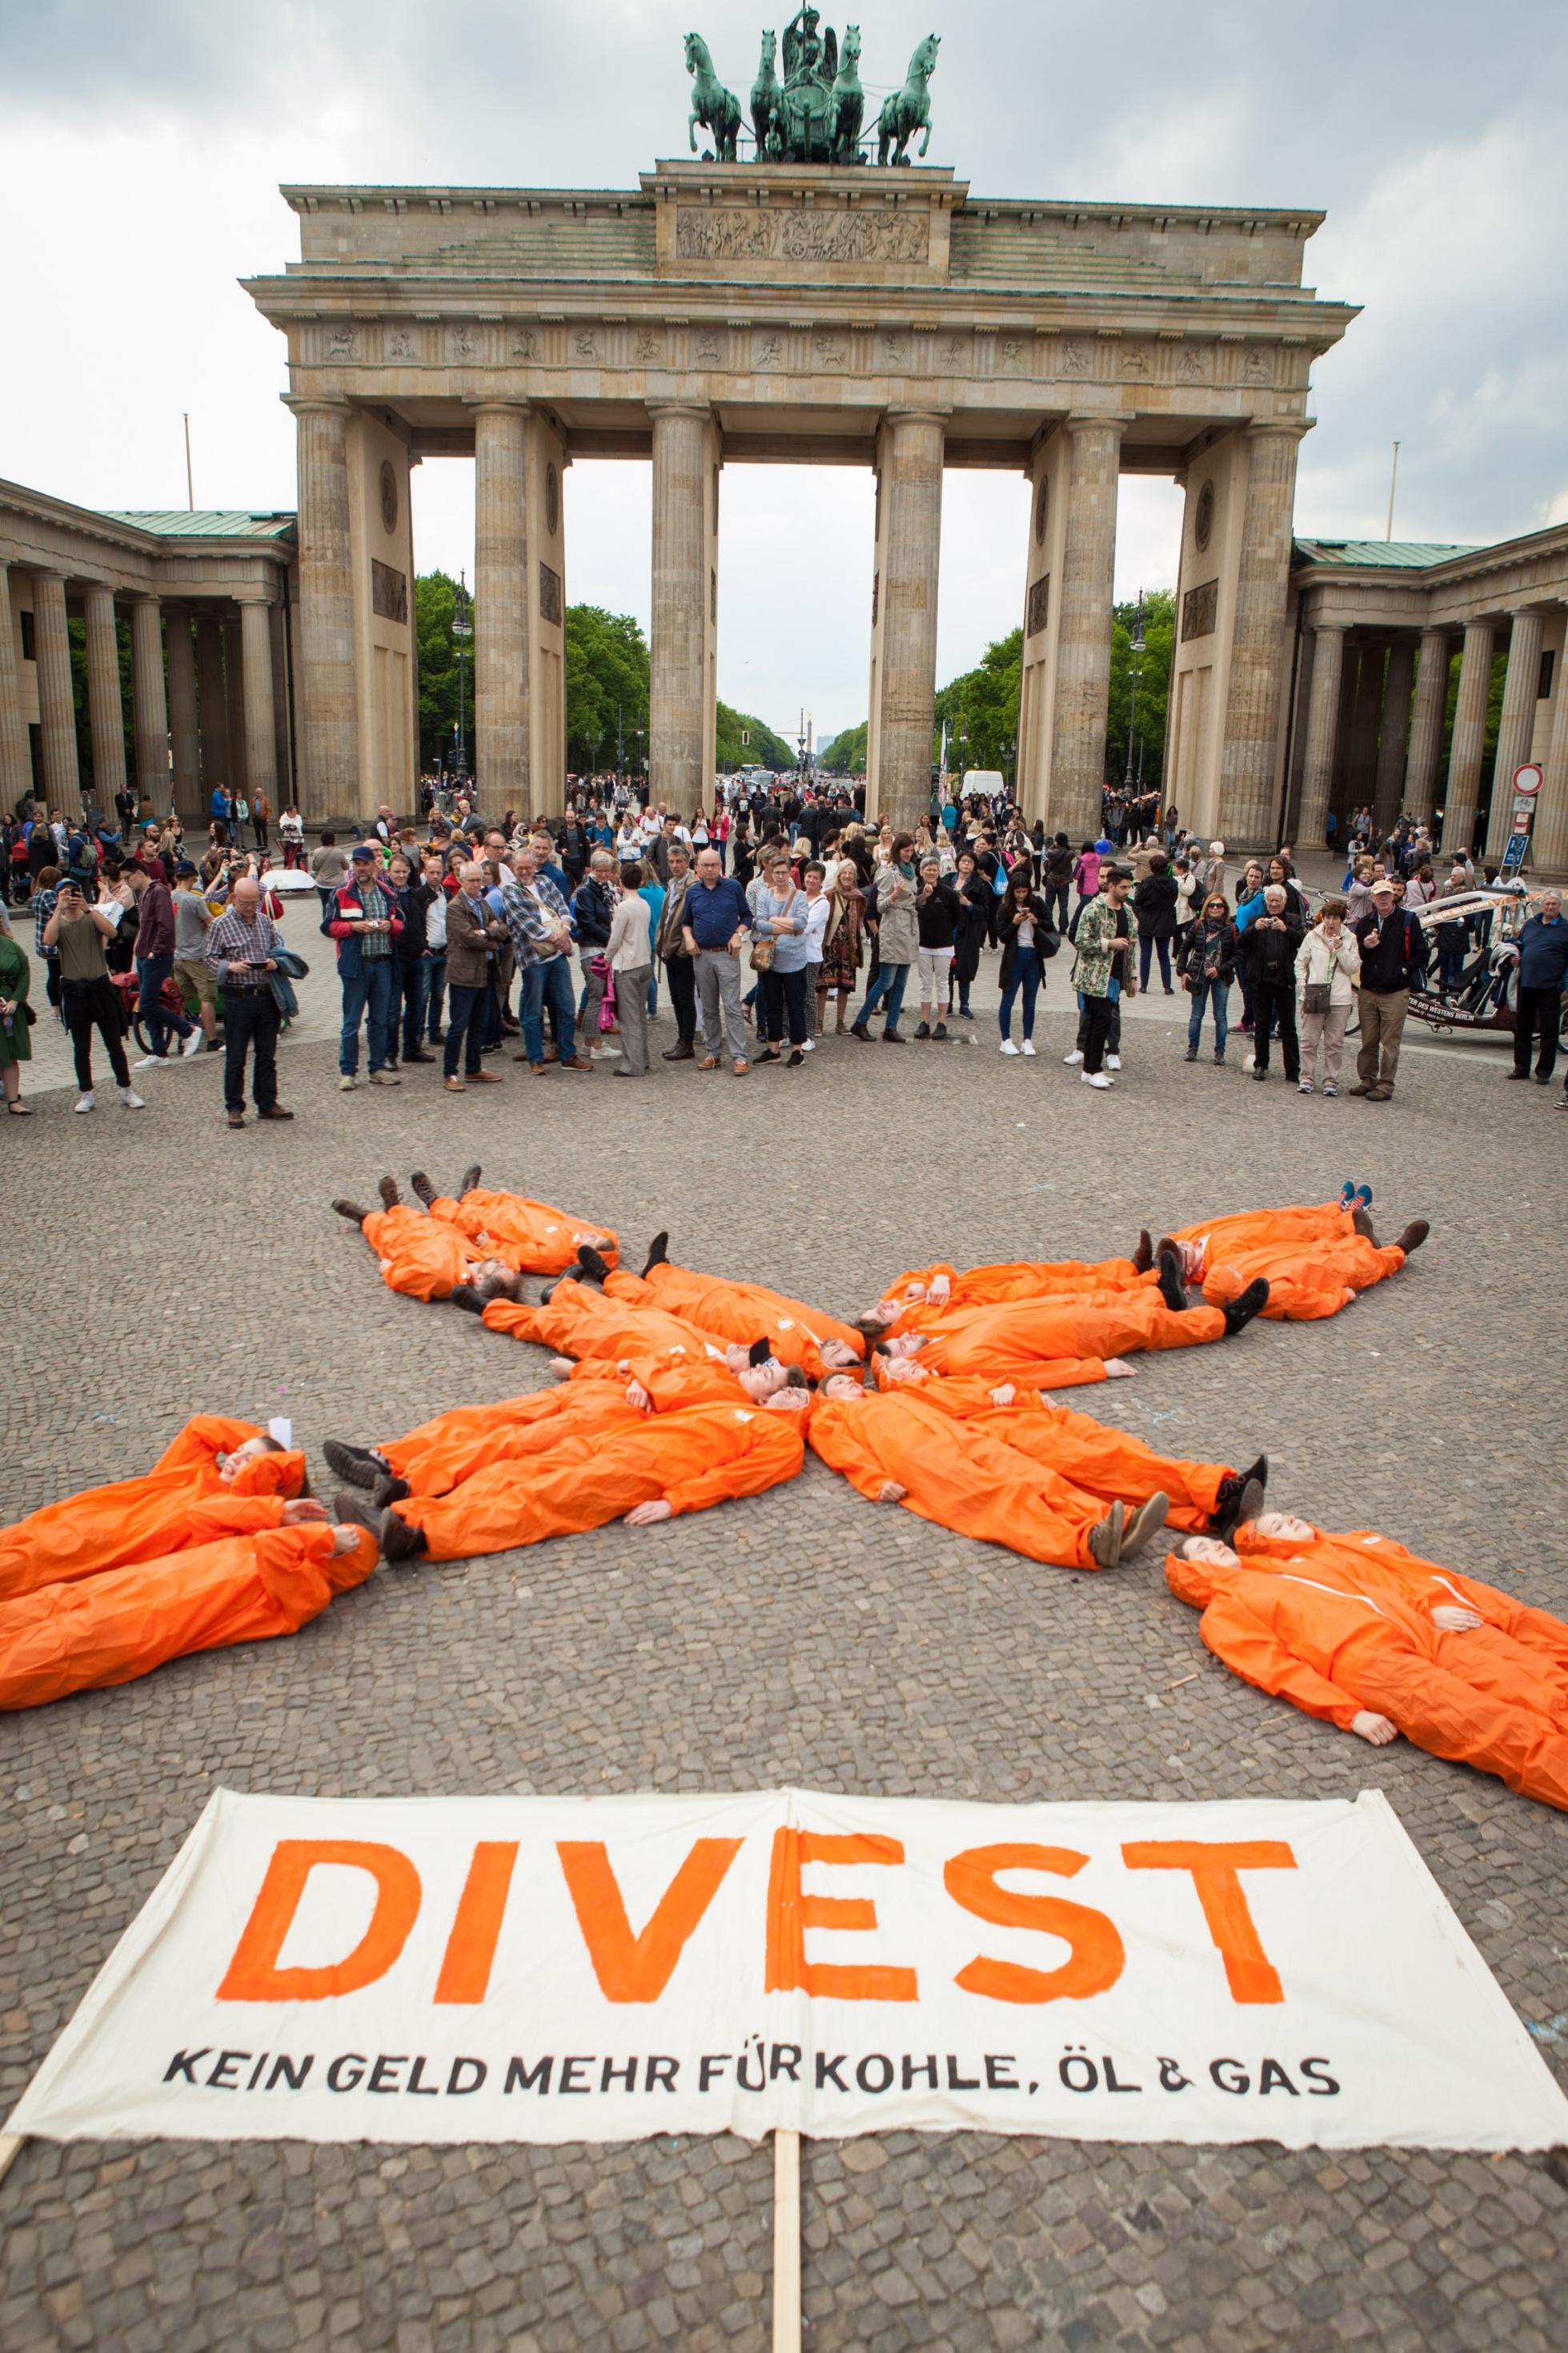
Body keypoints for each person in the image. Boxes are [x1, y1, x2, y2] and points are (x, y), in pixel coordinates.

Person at [1165, 1520, 1568, 1812]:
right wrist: (1349, 1713)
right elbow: (1274, 1669)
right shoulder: (1223, 1612)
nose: (1213, 1548)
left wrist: (1423, 1613)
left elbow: (1368, 1588)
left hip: (1421, 1635)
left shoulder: (1279, 1566)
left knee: (1534, 1688)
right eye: (1200, 1552)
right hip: (1377, 1668)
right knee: (1495, 1728)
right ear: (1194, 1571)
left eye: (1211, 1544)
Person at [339, 1390, 808, 1564]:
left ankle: (423, 1537)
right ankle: (405, 1512)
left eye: (796, 1391)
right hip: (618, 1440)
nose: (787, 1389)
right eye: (786, 1386)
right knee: (511, 1473)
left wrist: (676, 1500)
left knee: (541, 1500)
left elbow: (737, 1477)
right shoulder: (739, 1406)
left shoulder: (783, 1442)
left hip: (641, 1471)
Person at [0, 1516, 377, 1712]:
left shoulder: (309, 1595)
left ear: (342, 1560)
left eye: (341, 1538)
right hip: (124, 1588)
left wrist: (322, 1537)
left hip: (136, 1625)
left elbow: (271, 1548)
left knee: (41, 1658)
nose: (328, 1530)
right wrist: (279, 1510)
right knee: (32, 1610)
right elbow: (208, 1516)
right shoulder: (285, 1545)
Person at [809, 1378, 1153, 1572]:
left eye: (849, 1377)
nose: (850, 1382)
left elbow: (954, 1402)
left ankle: (1110, 1520)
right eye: (840, 1382)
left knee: (1033, 1474)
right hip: (921, 1459)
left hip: (961, 1438)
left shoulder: (889, 1395)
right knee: (998, 1498)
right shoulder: (828, 1417)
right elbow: (842, 1452)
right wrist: (875, 1481)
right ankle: (1082, 1544)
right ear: (825, 1394)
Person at [43, 878, 144, 1114]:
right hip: (75, 991)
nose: (71, 897)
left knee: (114, 1044)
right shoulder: (59, 923)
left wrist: (89, 908)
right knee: (81, 1047)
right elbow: (48, 940)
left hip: (100, 986)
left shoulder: (92, 917)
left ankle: (126, 1088)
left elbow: (111, 931)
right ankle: (86, 1093)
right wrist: (59, 909)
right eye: (65, 894)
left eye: (73, 892)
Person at [200, 875, 291, 1126]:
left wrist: (275, 962)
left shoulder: (264, 922)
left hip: (266, 994)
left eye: (254, 902)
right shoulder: (220, 924)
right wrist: (231, 966)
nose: (251, 908)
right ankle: (234, 1107)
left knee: (267, 1055)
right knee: (236, 1057)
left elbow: (278, 950)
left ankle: (267, 1103)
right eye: (245, 903)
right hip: (238, 997)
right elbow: (208, 959)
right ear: (234, 899)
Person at [498, 847, 587, 1074]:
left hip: (557, 956)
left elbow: (563, 908)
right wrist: (558, 938)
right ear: (513, 869)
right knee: (534, 1010)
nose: (525, 872)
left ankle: (567, 1054)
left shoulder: (546, 882)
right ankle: (535, 1058)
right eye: (520, 868)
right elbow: (526, 924)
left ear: (534, 866)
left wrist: (565, 929)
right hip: (534, 958)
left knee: (567, 1007)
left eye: (528, 867)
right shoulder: (510, 891)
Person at [327, 845, 403, 1090]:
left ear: (374, 866)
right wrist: (353, 927)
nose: (361, 868)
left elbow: (401, 922)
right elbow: (327, 927)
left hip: (382, 963)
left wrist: (390, 927)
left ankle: (377, 1068)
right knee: (351, 1022)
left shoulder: (388, 892)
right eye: (357, 864)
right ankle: (348, 1071)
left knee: (380, 1020)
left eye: (365, 863)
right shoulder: (341, 893)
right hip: (355, 965)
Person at [1349, 876, 1429, 1102]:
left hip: (1395, 990)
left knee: (1390, 1042)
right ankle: (1367, 1079)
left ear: (1393, 896)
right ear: (1372, 898)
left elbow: (1422, 953)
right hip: (1369, 988)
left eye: (1387, 895)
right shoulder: (1366, 922)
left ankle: (1385, 1084)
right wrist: (1365, 946)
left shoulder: (1408, 920)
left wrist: (1404, 970)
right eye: (1379, 895)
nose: (1383, 899)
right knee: (1368, 1040)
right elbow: (1356, 954)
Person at [681, 846, 752, 1074]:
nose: (710, 869)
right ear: (698, 867)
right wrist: (688, 938)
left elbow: (747, 916)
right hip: (701, 955)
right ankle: (713, 1053)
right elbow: (686, 922)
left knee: (732, 1006)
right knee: (709, 1007)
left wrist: (738, 934)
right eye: (705, 865)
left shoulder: (733, 888)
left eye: (714, 865)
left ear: (721, 866)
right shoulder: (693, 892)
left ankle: (739, 1056)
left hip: (727, 954)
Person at [125, 861, 202, 1069]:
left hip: (155, 956)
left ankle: (188, 1030)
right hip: (145, 955)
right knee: (147, 1003)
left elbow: (166, 926)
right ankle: (158, 1051)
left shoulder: (158, 891)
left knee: (148, 1003)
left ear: (139, 874)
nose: (127, 882)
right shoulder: (147, 893)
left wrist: (154, 952)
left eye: (128, 877)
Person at [442, 861, 508, 1093]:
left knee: (479, 1024)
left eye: (479, 880)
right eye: (471, 880)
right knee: (458, 1026)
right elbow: (468, 938)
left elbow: (503, 928)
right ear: (461, 881)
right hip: (463, 974)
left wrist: (487, 932)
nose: (476, 885)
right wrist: (491, 936)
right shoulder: (455, 906)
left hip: (485, 971)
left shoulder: (482, 902)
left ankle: (473, 1068)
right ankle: (450, 1072)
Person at [1069, 865, 1135, 1088]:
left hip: (1114, 975)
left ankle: (1089, 1069)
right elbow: (1080, 941)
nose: (1127, 891)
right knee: (1101, 1021)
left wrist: (1132, 977)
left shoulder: (1127, 911)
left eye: (1130, 887)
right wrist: (1109, 943)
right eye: (1124, 887)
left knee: (1100, 1021)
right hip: (1093, 975)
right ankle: (1094, 1069)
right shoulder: (1094, 908)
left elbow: (1131, 946)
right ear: (1112, 886)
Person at [852, 836, 918, 1043]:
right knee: (885, 980)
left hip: (908, 929)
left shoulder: (912, 871)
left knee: (900, 983)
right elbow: (880, 906)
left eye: (910, 850)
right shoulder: (888, 873)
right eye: (904, 850)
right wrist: (894, 895)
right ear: (897, 851)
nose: (908, 853)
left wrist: (923, 896)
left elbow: (914, 901)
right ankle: (861, 1021)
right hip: (892, 928)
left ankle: (891, 1027)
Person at [1294, 895, 1360, 1097]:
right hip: (1314, 992)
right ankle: (1306, 1077)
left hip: (1339, 997)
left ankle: (1331, 1080)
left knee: (1334, 1042)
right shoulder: (1313, 936)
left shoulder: (1350, 939)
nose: (1331, 922)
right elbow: (1300, 963)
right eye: (1328, 918)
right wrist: (1304, 986)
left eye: (1335, 918)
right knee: (1309, 1040)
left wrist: (1341, 950)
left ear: (1342, 920)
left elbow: (1353, 968)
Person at [1240, 885, 1305, 1085]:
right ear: (1265, 902)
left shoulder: (1293, 920)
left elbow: (1303, 942)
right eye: (1271, 901)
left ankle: (1292, 1070)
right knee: (1261, 1026)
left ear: (1284, 902)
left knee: (1288, 1027)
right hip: (1261, 981)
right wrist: (1253, 930)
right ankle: (1261, 1064)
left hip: (1284, 981)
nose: (1274, 904)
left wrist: (1286, 930)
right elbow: (1239, 943)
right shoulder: (1255, 920)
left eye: (1278, 901)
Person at [751, 850, 810, 1065]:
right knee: (772, 1004)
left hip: (795, 960)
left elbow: (801, 924)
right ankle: (773, 1048)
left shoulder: (799, 896)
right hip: (771, 960)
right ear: (771, 873)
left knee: (795, 1004)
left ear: (790, 873)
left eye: (784, 872)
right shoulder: (764, 895)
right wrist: (787, 926)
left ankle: (798, 1050)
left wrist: (774, 921)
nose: (780, 876)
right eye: (777, 872)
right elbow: (759, 923)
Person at [1509, 889, 1566, 1086]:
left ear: (1560, 907)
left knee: (1549, 1031)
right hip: (1527, 983)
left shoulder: (1566, 928)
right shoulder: (1531, 924)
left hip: (1550, 986)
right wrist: (1515, 959)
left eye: (1554, 904)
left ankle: (1544, 1071)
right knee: (1522, 1027)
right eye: (1547, 904)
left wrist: (1562, 985)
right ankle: (1521, 1067)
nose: (1550, 907)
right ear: (1543, 905)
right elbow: (1520, 946)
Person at [995, 870, 1056, 1056]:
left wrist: (1036, 921)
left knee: (1029, 1002)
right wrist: (1014, 923)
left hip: (1034, 956)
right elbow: (1003, 937)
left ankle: (1027, 1040)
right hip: (1015, 956)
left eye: (1024, 891)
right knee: (1008, 999)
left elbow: (1050, 924)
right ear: (1012, 891)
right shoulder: (1005, 908)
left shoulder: (1037, 903)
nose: (1021, 895)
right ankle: (1005, 1039)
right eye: (1018, 892)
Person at [605, 857, 655, 1076]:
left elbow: (615, 940)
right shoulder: (643, 904)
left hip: (628, 966)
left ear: (622, 883)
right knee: (639, 1015)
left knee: (629, 1018)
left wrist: (606, 959)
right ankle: (642, 1058)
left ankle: (632, 1065)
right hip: (645, 962)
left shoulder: (623, 908)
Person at [1179, 892, 1237, 1065]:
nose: (1215, 908)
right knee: (1196, 1014)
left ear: (1224, 909)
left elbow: (1238, 955)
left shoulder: (1232, 929)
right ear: (1207, 908)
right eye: (1212, 905)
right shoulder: (1198, 926)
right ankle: (1192, 1048)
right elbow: (1184, 948)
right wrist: (1182, 971)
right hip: (1199, 975)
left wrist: (1220, 970)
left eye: (1219, 906)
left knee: (1220, 1015)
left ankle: (1220, 1052)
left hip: (1221, 977)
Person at [656, 841, 699, 1063]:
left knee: (685, 997)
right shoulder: (671, 885)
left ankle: (687, 1041)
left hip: (683, 951)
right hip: (669, 949)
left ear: (687, 862)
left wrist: (682, 948)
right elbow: (665, 918)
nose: (674, 865)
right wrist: (660, 944)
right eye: (671, 861)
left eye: (679, 861)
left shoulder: (693, 886)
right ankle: (681, 1039)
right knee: (675, 998)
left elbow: (692, 920)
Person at [571, 849, 618, 1049]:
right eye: (600, 871)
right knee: (595, 995)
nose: (604, 875)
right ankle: (592, 1041)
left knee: (598, 995)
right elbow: (588, 922)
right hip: (593, 949)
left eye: (607, 871)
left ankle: (593, 1037)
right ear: (592, 869)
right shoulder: (585, 892)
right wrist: (610, 939)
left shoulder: (606, 888)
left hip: (603, 947)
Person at [910, 854, 960, 1042]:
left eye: (934, 869)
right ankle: (924, 1021)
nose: (931, 872)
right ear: (921, 872)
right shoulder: (917, 892)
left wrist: (946, 931)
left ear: (939, 872)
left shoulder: (948, 893)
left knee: (942, 983)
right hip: (922, 944)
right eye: (927, 869)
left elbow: (957, 917)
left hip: (943, 945)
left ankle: (941, 1022)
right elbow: (914, 909)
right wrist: (925, 895)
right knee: (925, 984)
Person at [816, 855, 864, 1036]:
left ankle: (840, 1023)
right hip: (829, 944)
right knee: (823, 985)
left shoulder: (858, 897)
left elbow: (859, 923)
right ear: (838, 874)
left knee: (845, 986)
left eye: (850, 873)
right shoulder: (829, 894)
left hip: (849, 946)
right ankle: (819, 1023)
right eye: (844, 872)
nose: (847, 876)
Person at [1132, 853, 1179, 994]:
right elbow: (1174, 899)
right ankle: (1167, 986)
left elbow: (1138, 901)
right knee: (1163, 954)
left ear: (1152, 868)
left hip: (1147, 919)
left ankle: (1144, 985)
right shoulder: (1173, 883)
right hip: (1165, 920)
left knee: (1146, 954)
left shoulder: (1147, 883)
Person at [0, 918, 34, 1114]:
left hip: (10, 1006)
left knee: (11, 1054)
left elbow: (25, 974)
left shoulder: (11, 947)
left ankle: (13, 1100)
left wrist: (16, 1000)